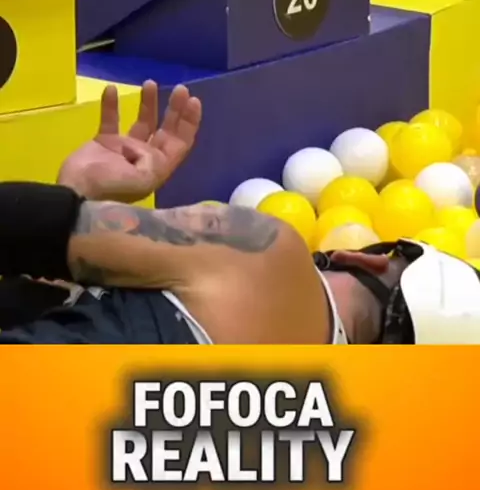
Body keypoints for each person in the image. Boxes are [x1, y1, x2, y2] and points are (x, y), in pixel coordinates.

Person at [0, 81, 479, 345]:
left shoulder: (269, 257)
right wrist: (80, 192)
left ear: (367, 259)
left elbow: (22, 224)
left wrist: (71, 207)